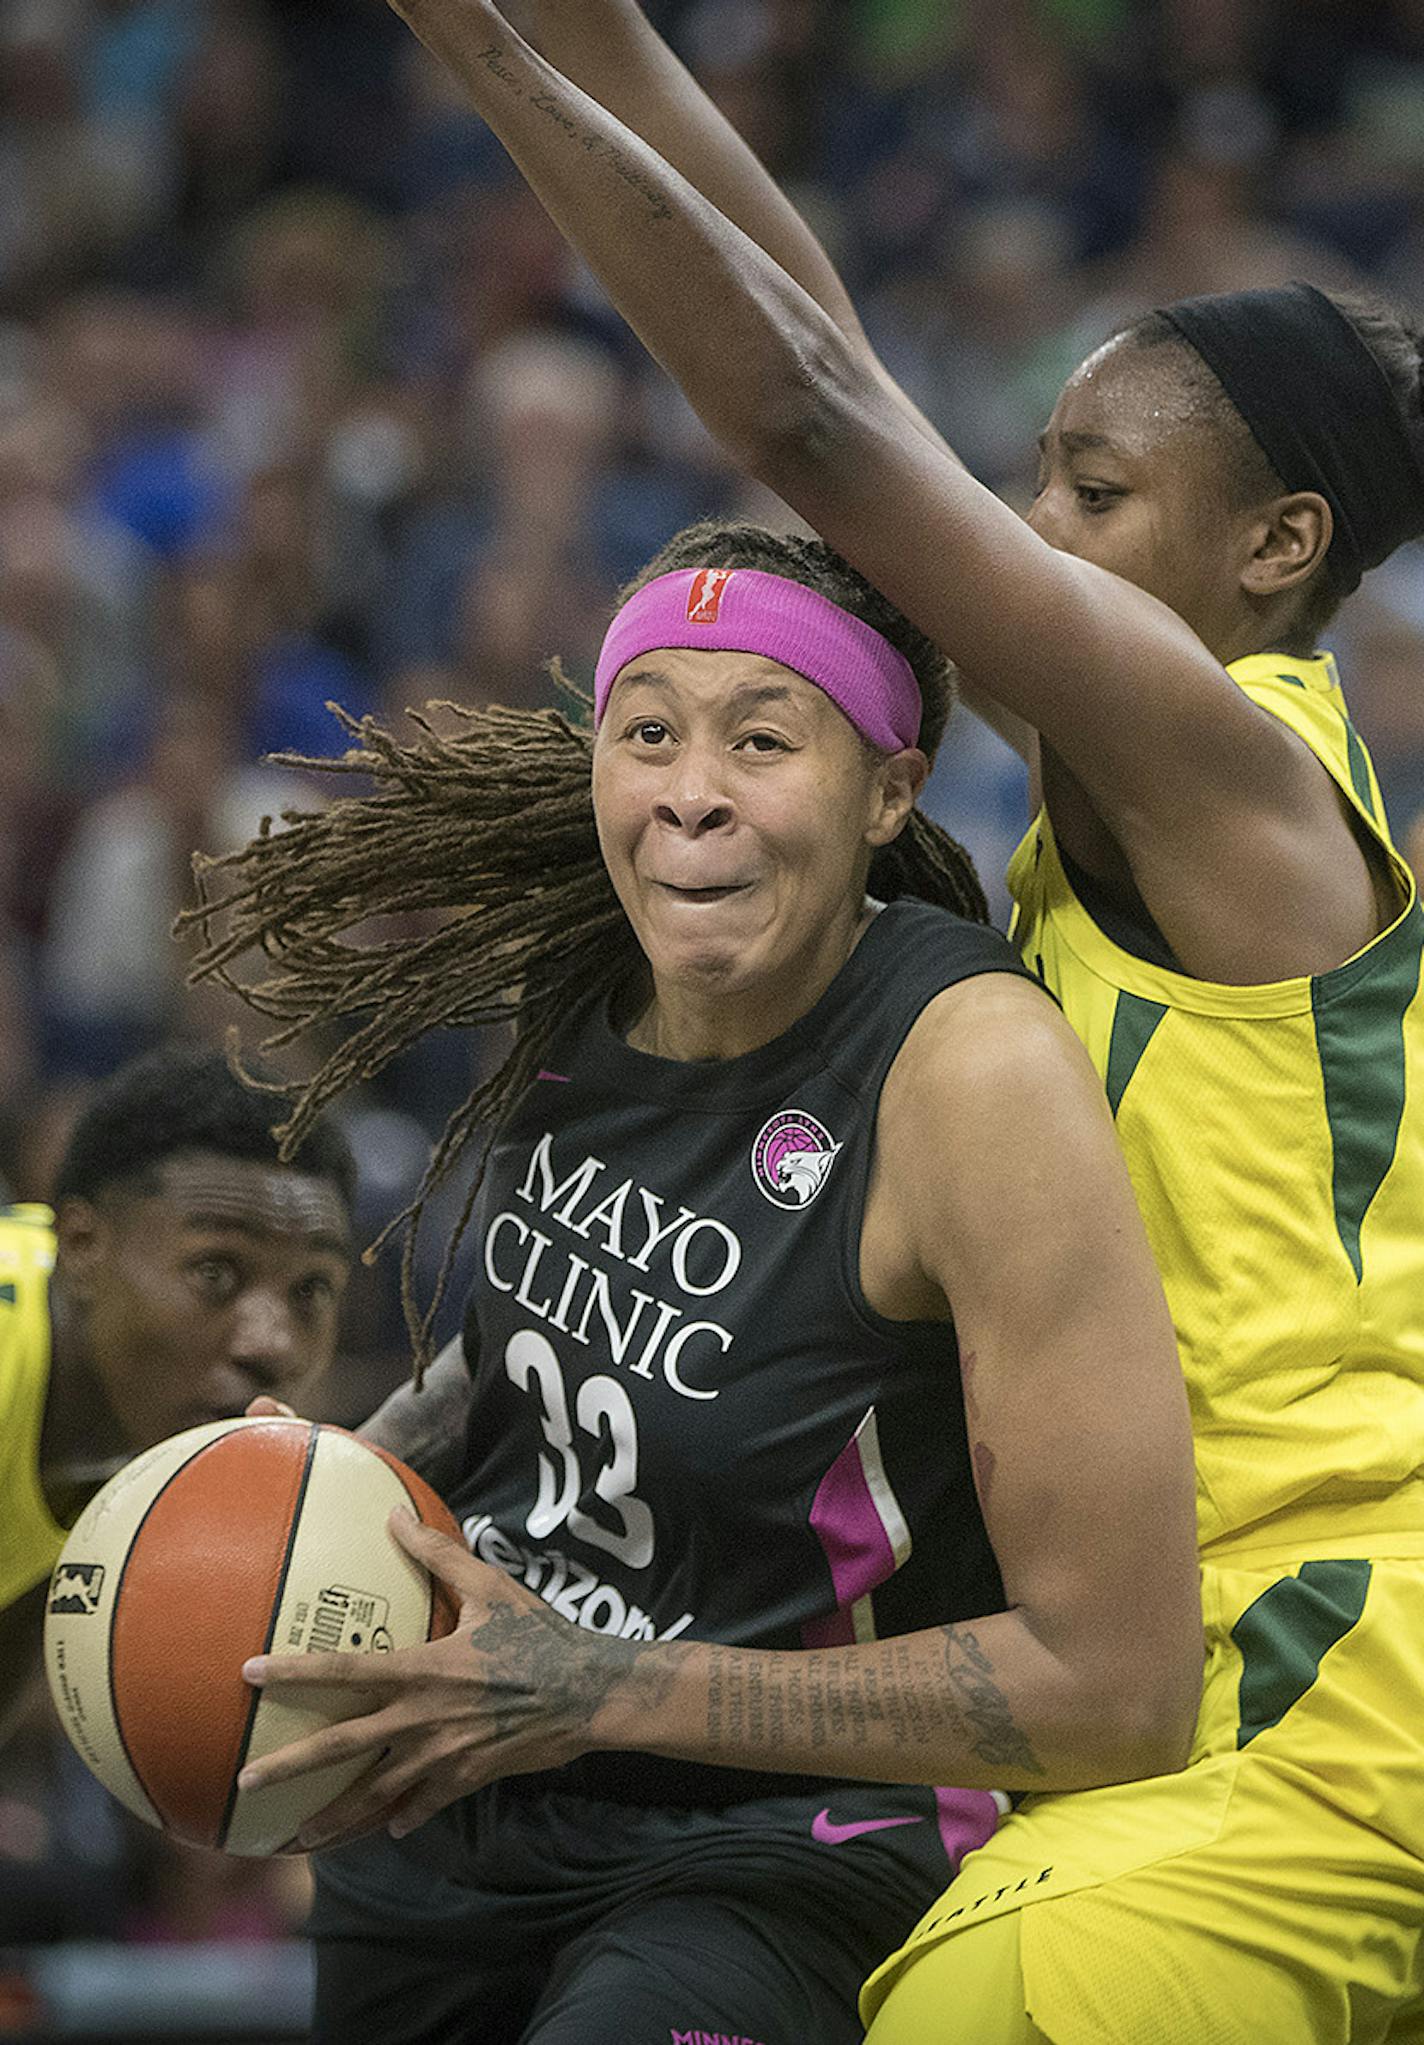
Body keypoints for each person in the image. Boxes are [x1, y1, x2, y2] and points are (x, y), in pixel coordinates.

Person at [317, 4, 1424, 2040]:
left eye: (1086, 494)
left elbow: (821, 416)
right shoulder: (1130, 790)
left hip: (1321, 1653)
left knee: (970, 2002)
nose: (1022, 534)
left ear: (1276, 552)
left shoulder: (1242, 774)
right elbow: (823, 345)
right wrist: (599, 42)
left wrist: (470, 55)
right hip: (1155, 1636)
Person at [192, 517, 1202, 2045]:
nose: (689, 795)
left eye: (762, 739)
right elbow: (521, 1355)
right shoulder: (586, 967)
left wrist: (603, 1686)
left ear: (891, 791)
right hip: (470, 1791)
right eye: (648, 731)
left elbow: (1119, 1688)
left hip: (788, 1848)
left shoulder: (968, 1073)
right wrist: (324, 1481)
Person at [0, 1041, 356, 1742]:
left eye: (311, 1287)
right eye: (215, 1273)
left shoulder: (136, 1427)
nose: (272, 1343)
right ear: (82, 1245)